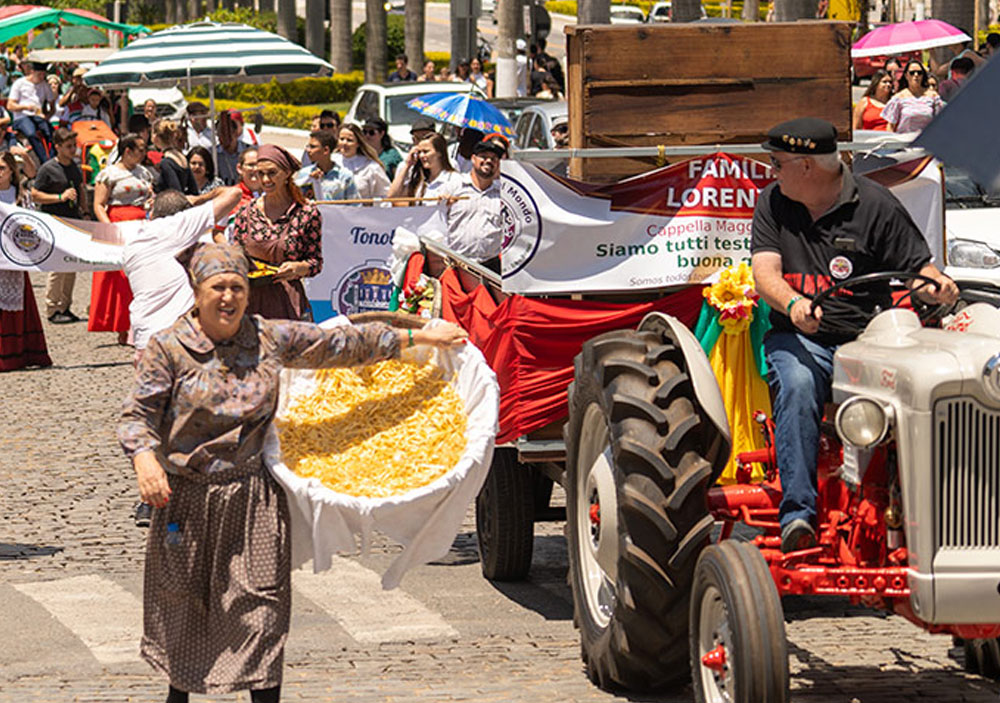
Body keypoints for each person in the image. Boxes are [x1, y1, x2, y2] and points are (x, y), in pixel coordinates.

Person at [118, 238, 467, 703]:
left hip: (252, 498)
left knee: (261, 608)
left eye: (238, 287)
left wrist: (417, 337)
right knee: (184, 608)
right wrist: (145, 459)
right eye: (218, 287)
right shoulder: (168, 348)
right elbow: (137, 415)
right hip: (188, 500)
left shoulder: (267, 337)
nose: (229, 298)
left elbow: (337, 343)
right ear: (197, 291)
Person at [749, 117, 957, 553]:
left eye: (777, 162)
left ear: (806, 166)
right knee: (800, 382)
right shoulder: (773, 202)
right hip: (800, 338)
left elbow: (918, 267)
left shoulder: (877, 205)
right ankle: (798, 515)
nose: (772, 171)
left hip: (867, 340)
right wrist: (793, 304)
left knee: (925, 391)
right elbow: (764, 272)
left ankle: (931, 514)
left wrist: (937, 286)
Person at [231, 144, 321, 321]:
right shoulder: (246, 213)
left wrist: (299, 268)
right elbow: (236, 254)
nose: (265, 180)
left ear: (287, 173)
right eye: (260, 174)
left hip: (289, 302)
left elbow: (315, 262)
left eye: (272, 173)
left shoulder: (307, 214)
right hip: (252, 302)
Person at [91, 133, 155, 344]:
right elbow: (99, 204)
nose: (144, 153)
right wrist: (110, 229)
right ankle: (122, 325)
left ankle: (140, 324)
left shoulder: (144, 173)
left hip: (141, 223)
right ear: (127, 151)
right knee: (122, 277)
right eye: (140, 149)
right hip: (118, 223)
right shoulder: (109, 174)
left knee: (142, 273)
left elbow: (149, 196)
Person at [0, 150, 52, 371]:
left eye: (1, 168)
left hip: (13, 260)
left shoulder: (21, 196)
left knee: (14, 306)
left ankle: (16, 353)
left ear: (11, 170)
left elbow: (31, 226)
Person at [32, 128, 87, 325]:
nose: (73, 150)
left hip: (73, 219)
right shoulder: (47, 169)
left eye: (74, 146)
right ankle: (52, 307)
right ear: (57, 147)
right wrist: (59, 197)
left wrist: (85, 211)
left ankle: (65, 305)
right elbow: (35, 194)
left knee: (71, 265)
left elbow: (81, 189)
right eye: (69, 146)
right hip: (54, 221)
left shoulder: (74, 166)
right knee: (57, 267)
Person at [438, 137, 504, 268]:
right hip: (456, 263)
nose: (489, 161)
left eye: (494, 158)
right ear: (473, 159)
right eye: (483, 156)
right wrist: (441, 204)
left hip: (491, 266)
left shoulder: (503, 194)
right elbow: (435, 221)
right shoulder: (453, 187)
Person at [388, 132, 460, 204]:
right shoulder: (419, 179)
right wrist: (408, 165)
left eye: (426, 151)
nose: (421, 155)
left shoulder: (454, 179)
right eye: (419, 152)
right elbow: (392, 197)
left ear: (439, 152)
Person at [7, 61, 55, 164]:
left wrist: (48, 116)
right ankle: (45, 161)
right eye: (39, 74)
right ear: (32, 72)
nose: (42, 77)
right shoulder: (19, 84)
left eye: (43, 74)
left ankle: (52, 158)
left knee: (51, 133)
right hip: (21, 116)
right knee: (31, 133)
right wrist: (25, 107)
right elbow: (10, 105)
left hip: (37, 115)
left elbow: (52, 106)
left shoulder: (44, 85)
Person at [293, 130, 358, 201]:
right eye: (308, 146)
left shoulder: (345, 176)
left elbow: (354, 205)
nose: (308, 150)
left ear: (326, 150)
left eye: (313, 147)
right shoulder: (305, 173)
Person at [881, 61, 943, 133]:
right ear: (906, 75)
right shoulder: (898, 98)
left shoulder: (933, 96)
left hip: (927, 141)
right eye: (912, 73)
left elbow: (941, 121)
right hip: (905, 140)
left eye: (919, 73)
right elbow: (891, 126)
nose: (916, 75)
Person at [336, 123, 390, 199]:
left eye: (349, 140)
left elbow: (384, 195)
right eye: (341, 139)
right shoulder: (330, 162)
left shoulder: (371, 167)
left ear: (358, 143)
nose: (344, 143)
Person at [152, 119, 198, 196]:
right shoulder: (182, 157)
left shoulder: (166, 162)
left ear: (156, 138)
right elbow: (193, 189)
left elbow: (176, 190)